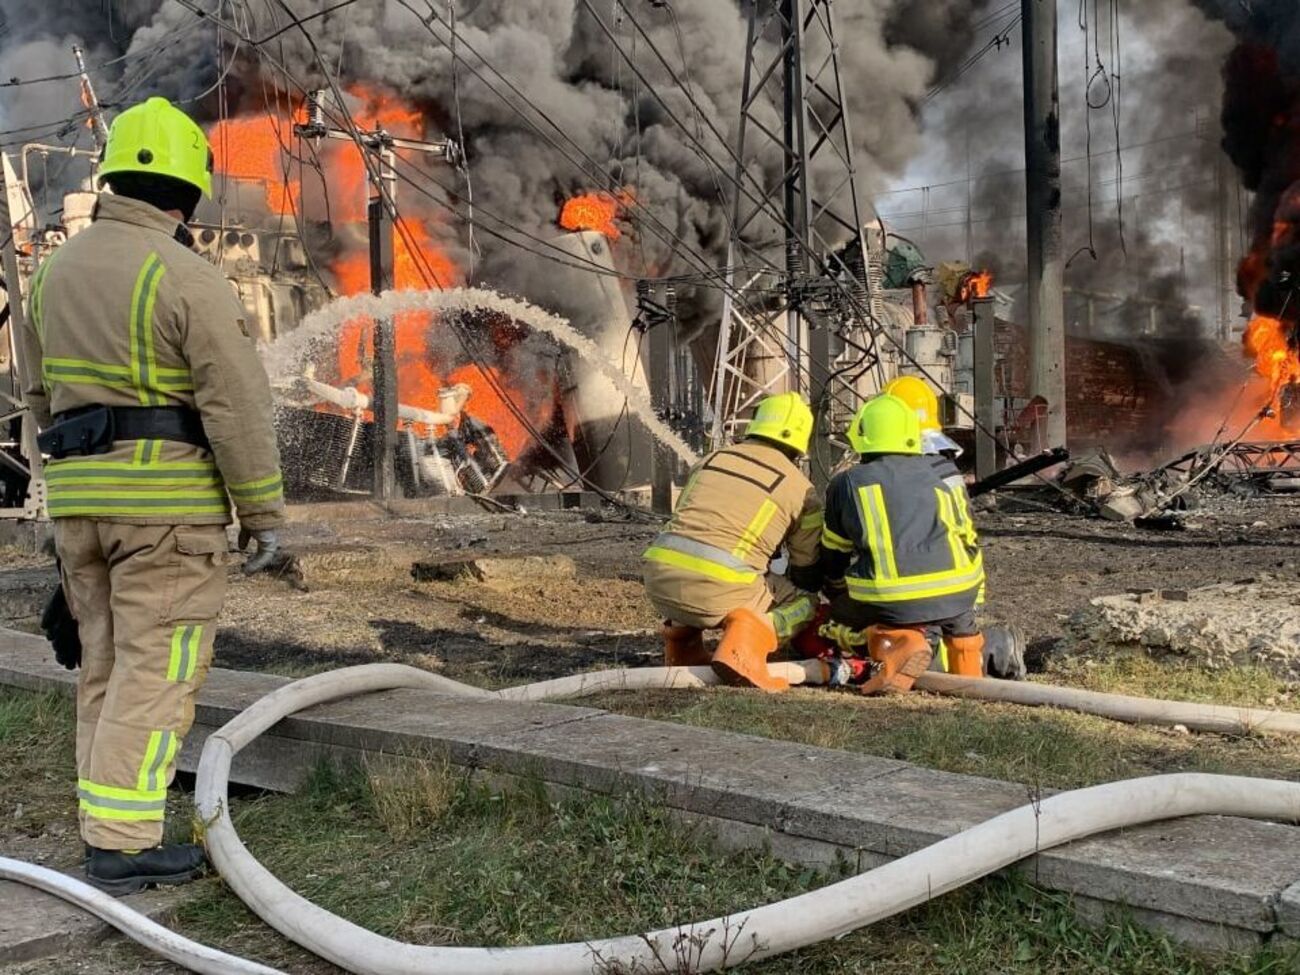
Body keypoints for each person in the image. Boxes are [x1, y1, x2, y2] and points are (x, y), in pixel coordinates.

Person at [16, 97, 285, 894]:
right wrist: (262, 512)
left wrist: (69, 488)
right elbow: (236, 406)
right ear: (187, 193)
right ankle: (125, 845)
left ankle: (106, 823)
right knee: (157, 669)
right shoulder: (187, 276)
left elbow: (38, 395)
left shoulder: (53, 273)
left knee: (102, 662)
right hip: (166, 513)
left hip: (79, 510)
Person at [642, 392, 823, 692]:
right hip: (719, 589)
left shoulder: (711, 460)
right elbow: (806, 566)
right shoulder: (800, 488)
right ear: (799, 442)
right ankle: (745, 648)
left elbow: (690, 523)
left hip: (659, 579)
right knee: (806, 602)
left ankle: (682, 648)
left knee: (700, 563)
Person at [815, 393, 986, 694]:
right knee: (960, 624)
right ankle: (973, 685)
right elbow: (965, 535)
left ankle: (899, 643)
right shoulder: (939, 472)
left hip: (892, 595)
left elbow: (834, 552)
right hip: (961, 589)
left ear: (861, 435)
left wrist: (834, 587)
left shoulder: (848, 482)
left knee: (836, 619)